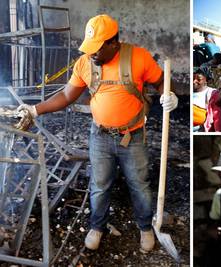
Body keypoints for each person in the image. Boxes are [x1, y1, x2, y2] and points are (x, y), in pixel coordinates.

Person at [15, 14, 179, 252]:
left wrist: (169, 94)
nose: (91, 53)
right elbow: (66, 96)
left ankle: (145, 227)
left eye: (97, 48)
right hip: (100, 136)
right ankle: (97, 226)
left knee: (139, 185)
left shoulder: (138, 58)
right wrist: (35, 110)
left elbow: (162, 80)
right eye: (89, 47)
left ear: (114, 43)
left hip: (132, 137)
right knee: (100, 184)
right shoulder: (84, 63)